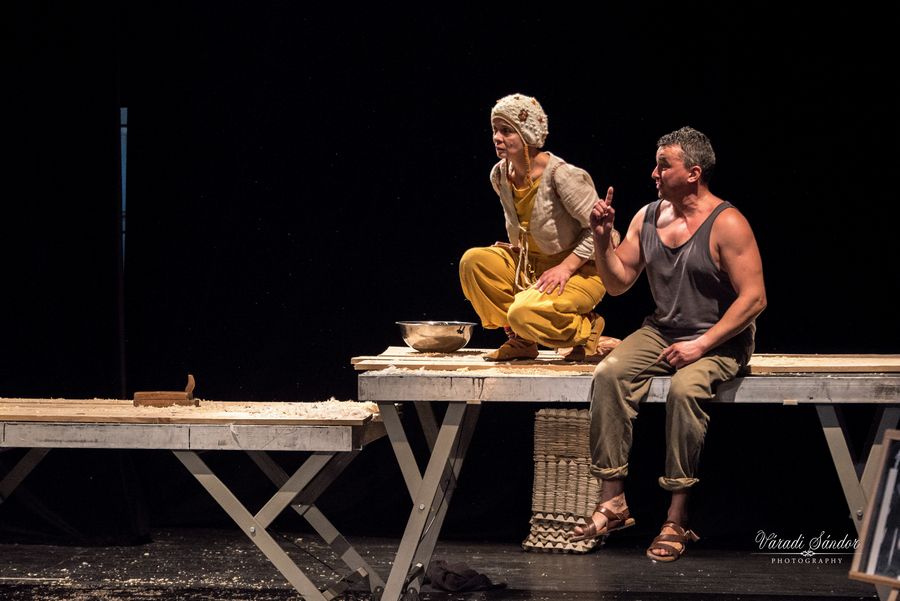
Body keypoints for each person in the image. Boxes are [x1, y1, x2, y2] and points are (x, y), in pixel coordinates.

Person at [570, 126, 767, 562]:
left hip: (721, 338)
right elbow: (618, 283)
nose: (654, 173)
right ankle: (613, 501)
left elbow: (754, 299)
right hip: (663, 331)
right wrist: (601, 239)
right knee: (610, 373)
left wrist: (700, 346)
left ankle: (677, 515)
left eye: (664, 165)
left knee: (684, 389)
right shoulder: (647, 216)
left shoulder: (727, 223)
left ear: (694, 173)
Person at [459, 93, 618, 362]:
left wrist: (566, 267)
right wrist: (520, 246)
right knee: (474, 261)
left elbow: (602, 233)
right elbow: (527, 223)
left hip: (581, 270)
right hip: (530, 265)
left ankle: (587, 328)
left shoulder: (561, 175)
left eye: (507, 131)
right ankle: (522, 340)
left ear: (527, 134)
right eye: (495, 130)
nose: (497, 137)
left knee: (522, 312)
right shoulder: (500, 174)